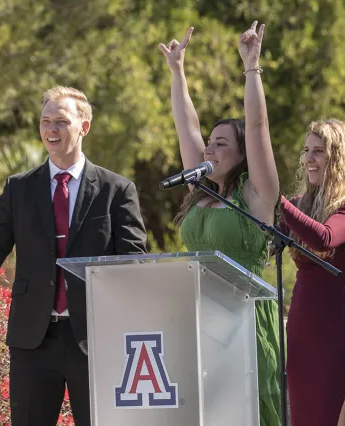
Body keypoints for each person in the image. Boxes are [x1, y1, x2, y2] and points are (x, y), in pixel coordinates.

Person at [0, 86, 147, 426]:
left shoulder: (116, 190)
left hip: (95, 337)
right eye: (45, 121)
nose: (51, 129)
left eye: (61, 122)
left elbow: (133, 262)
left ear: (84, 127)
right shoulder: (19, 188)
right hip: (33, 338)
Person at [158, 22, 281, 425]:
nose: (208, 148)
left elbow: (259, 128)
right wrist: (178, 73)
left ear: (243, 154)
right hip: (198, 317)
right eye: (209, 143)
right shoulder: (201, 192)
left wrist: (251, 67)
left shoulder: (255, 195)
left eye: (221, 144)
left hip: (243, 318)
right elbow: (187, 127)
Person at [279, 119, 345, 426]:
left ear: (337, 158)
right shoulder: (297, 206)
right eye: (306, 150)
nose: (308, 159)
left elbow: (325, 238)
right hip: (302, 329)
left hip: (335, 333)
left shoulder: (343, 207)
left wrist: (277, 203)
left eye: (318, 151)